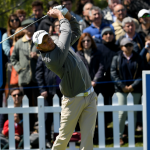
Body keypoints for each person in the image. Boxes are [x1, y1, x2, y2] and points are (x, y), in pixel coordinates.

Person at [33, 6, 97, 150]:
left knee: (87, 138)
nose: (48, 41)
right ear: (39, 49)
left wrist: (66, 13)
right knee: (63, 138)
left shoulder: (57, 44)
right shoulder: (51, 59)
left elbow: (75, 30)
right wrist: (59, 16)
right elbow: (67, 31)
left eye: (47, 38)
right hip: (73, 100)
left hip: (90, 94)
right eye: (44, 42)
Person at [110, 38, 142, 145]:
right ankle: (119, 135)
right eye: (126, 45)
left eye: (130, 45)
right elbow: (113, 73)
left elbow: (142, 73)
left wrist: (133, 86)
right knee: (121, 112)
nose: (128, 47)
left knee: (132, 113)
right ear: (121, 47)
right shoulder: (116, 57)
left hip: (135, 89)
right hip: (121, 89)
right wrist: (122, 86)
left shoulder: (138, 57)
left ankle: (131, 135)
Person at [10, 19, 39, 132]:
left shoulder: (39, 41)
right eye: (27, 26)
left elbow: (46, 55)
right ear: (23, 28)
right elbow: (13, 58)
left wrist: (37, 56)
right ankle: (28, 128)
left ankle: (38, 127)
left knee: (38, 103)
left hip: (37, 78)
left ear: (35, 27)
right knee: (26, 104)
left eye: (31, 26)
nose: (29, 28)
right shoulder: (19, 43)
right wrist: (19, 69)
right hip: (24, 78)